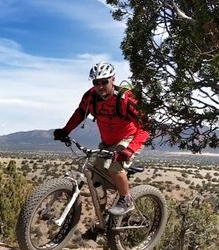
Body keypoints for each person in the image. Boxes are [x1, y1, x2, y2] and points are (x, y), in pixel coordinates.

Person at [53, 62, 149, 216]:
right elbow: (80, 112)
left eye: (104, 81)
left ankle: (126, 199)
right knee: (96, 180)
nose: (100, 86)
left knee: (115, 166)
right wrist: (66, 130)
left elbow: (145, 127)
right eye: (96, 83)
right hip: (106, 143)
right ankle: (101, 220)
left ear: (113, 79)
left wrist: (129, 150)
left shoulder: (126, 99)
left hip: (128, 138)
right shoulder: (91, 97)